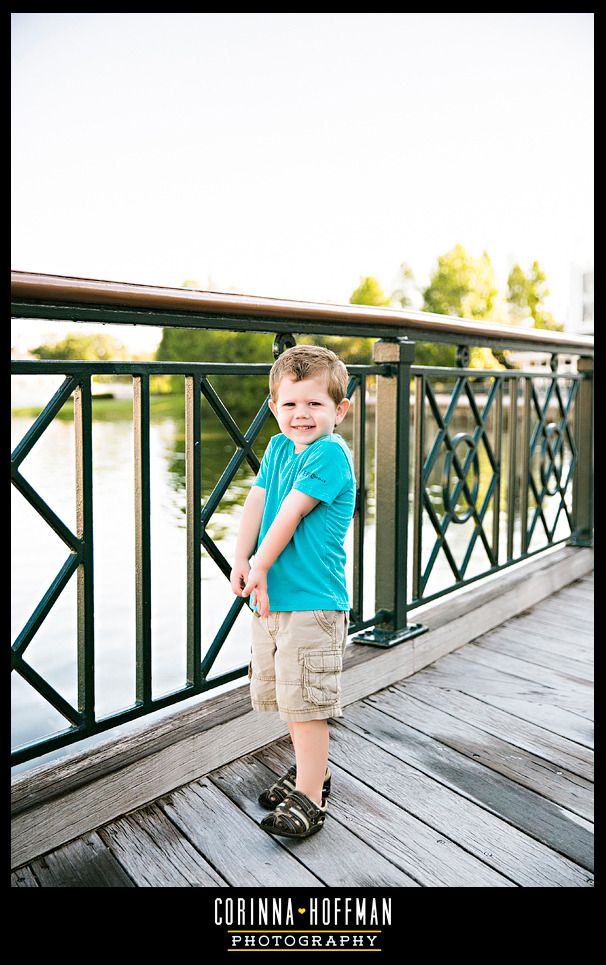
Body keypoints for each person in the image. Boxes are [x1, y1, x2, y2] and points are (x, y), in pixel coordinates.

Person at [230, 344, 356, 839]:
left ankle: (311, 796)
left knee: (307, 706)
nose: (301, 414)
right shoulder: (281, 448)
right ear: (273, 407)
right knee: (289, 697)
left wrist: (259, 564)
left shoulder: (330, 455)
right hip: (272, 600)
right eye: (290, 404)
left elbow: (290, 514)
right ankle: (312, 772)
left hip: (312, 601)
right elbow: (257, 504)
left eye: (315, 404)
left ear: (339, 410)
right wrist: (241, 558)